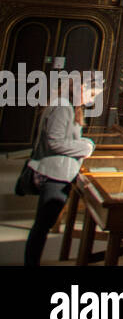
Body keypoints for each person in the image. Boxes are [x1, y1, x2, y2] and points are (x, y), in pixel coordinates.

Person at [23, 75, 102, 266]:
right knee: (42, 224)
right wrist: (87, 147)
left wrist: (83, 143)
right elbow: (55, 143)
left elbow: (66, 138)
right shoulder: (62, 107)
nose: (92, 100)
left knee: (44, 222)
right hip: (53, 172)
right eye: (91, 94)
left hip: (61, 171)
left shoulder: (68, 106)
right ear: (80, 88)